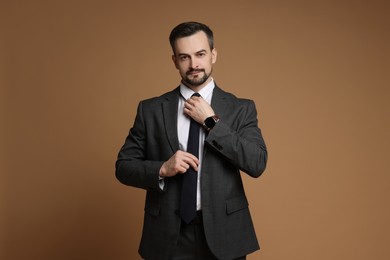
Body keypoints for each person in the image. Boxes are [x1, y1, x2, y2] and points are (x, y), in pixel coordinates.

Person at [115, 21, 267, 260]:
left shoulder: (241, 108)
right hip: (168, 235)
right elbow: (123, 167)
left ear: (213, 55)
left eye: (200, 54)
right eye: (184, 57)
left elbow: (257, 163)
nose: (194, 64)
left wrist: (211, 122)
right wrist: (163, 168)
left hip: (225, 233)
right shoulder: (151, 110)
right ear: (174, 60)